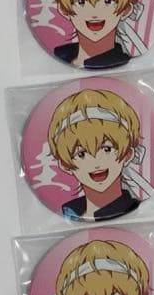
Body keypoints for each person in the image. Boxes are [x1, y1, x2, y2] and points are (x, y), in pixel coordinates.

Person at [47, 88, 142, 221]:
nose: (96, 162)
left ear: (128, 154)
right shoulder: (68, 211)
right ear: (64, 165)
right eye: (81, 154)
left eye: (107, 149)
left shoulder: (134, 206)